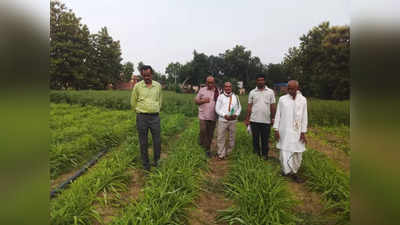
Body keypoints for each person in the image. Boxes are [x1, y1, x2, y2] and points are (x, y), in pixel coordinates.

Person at [273, 80, 308, 183]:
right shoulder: (282, 99)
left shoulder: (303, 100)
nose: (289, 90)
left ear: (297, 88)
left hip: (297, 131)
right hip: (285, 130)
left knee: (298, 152)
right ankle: (287, 171)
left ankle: (295, 171)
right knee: (284, 151)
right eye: (288, 88)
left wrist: (303, 132)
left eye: (292, 88)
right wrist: (276, 129)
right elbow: (278, 115)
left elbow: (304, 116)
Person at [130, 65, 162, 171]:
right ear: (142, 75)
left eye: (148, 75)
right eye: (144, 76)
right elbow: (133, 101)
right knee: (143, 142)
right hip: (142, 117)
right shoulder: (138, 86)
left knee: (157, 141)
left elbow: (160, 100)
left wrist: (156, 108)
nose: (147, 77)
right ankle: (145, 164)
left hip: (155, 117)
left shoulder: (158, 86)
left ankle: (157, 162)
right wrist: (139, 111)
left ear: (152, 74)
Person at [244, 74, 276, 160]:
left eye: (262, 80)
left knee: (265, 140)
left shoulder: (270, 92)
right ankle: (256, 155)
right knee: (255, 139)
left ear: (265, 81)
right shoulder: (252, 92)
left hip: (266, 121)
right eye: (258, 80)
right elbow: (249, 106)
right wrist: (247, 119)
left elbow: (272, 106)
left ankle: (265, 156)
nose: (260, 81)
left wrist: (273, 118)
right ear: (256, 81)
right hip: (254, 120)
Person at [215, 82, 242, 160]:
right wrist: (224, 115)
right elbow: (217, 109)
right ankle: (221, 154)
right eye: (226, 87)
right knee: (220, 137)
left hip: (233, 120)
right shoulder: (220, 97)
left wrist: (236, 114)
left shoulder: (235, 97)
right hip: (223, 120)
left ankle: (230, 153)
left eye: (229, 87)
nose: (228, 88)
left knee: (232, 137)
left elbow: (239, 108)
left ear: (231, 87)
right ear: (224, 87)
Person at [195, 76, 219, 157]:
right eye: (208, 82)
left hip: (213, 116)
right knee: (203, 130)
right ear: (206, 82)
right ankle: (202, 142)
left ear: (214, 83)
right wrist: (203, 100)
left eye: (211, 82)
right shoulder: (202, 90)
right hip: (203, 115)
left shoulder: (217, 91)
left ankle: (207, 150)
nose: (210, 84)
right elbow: (196, 101)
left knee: (210, 134)